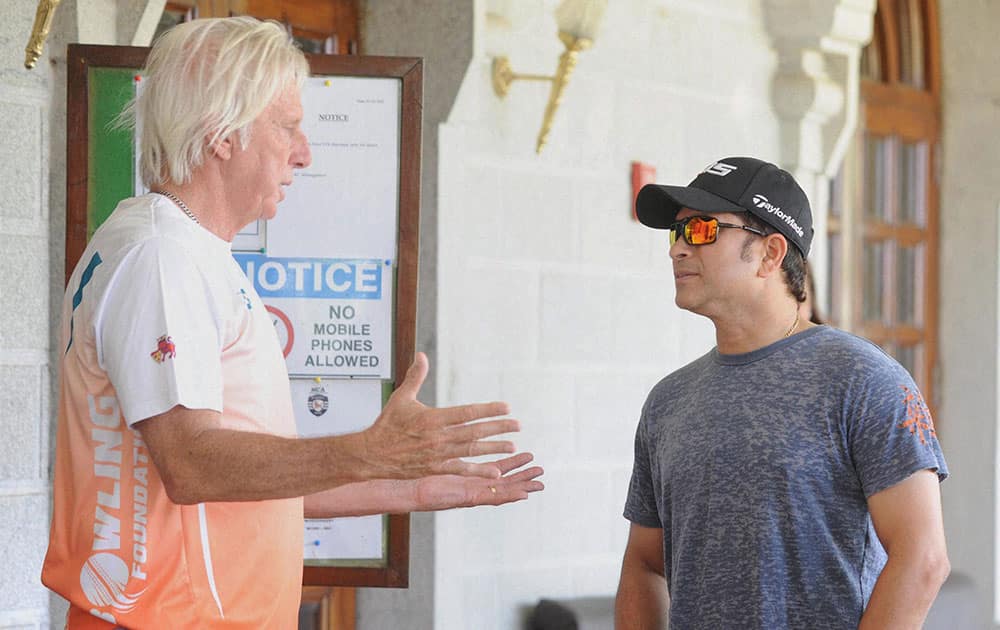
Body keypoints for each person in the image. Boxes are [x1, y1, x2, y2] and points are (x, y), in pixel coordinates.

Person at [42, 17, 543, 628]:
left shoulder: (179, 249)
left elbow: (242, 477)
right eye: (287, 127)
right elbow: (193, 465)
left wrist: (403, 486)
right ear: (223, 134)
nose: (303, 153)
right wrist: (368, 453)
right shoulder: (161, 257)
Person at [615, 156, 949, 629]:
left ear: (771, 254)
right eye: (677, 233)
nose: (678, 250)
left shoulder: (863, 378)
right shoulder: (667, 401)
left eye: (703, 230)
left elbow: (923, 558)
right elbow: (646, 564)